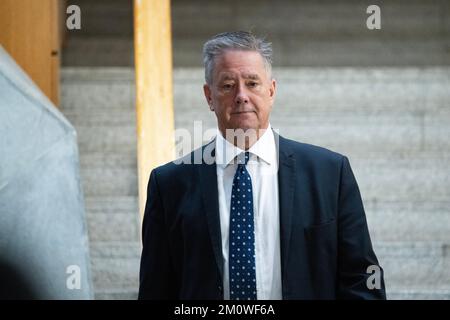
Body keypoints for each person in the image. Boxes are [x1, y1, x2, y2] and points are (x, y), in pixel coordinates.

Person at [138, 31, 386, 300]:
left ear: (271, 91)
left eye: (253, 83)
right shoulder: (169, 184)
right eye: (228, 85)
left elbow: (361, 279)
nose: (241, 95)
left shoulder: (329, 173)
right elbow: (156, 289)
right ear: (209, 96)